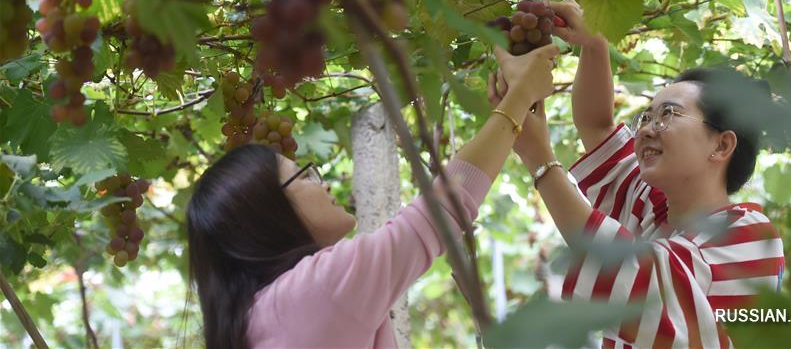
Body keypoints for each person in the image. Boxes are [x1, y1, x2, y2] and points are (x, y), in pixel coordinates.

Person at [186, 42, 560, 348]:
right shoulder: (314, 290)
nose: (325, 183)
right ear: (268, 212)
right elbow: (441, 209)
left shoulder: (257, 318)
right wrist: (521, 96)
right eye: (305, 174)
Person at [488, 0, 785, 349]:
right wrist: (594, 44)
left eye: (667, 116)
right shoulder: (651, 210)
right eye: (645, 117)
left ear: (721, 147)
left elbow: (640, 290)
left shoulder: (750, 237)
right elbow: (597, 128)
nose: (645, 130)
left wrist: (538, 157)